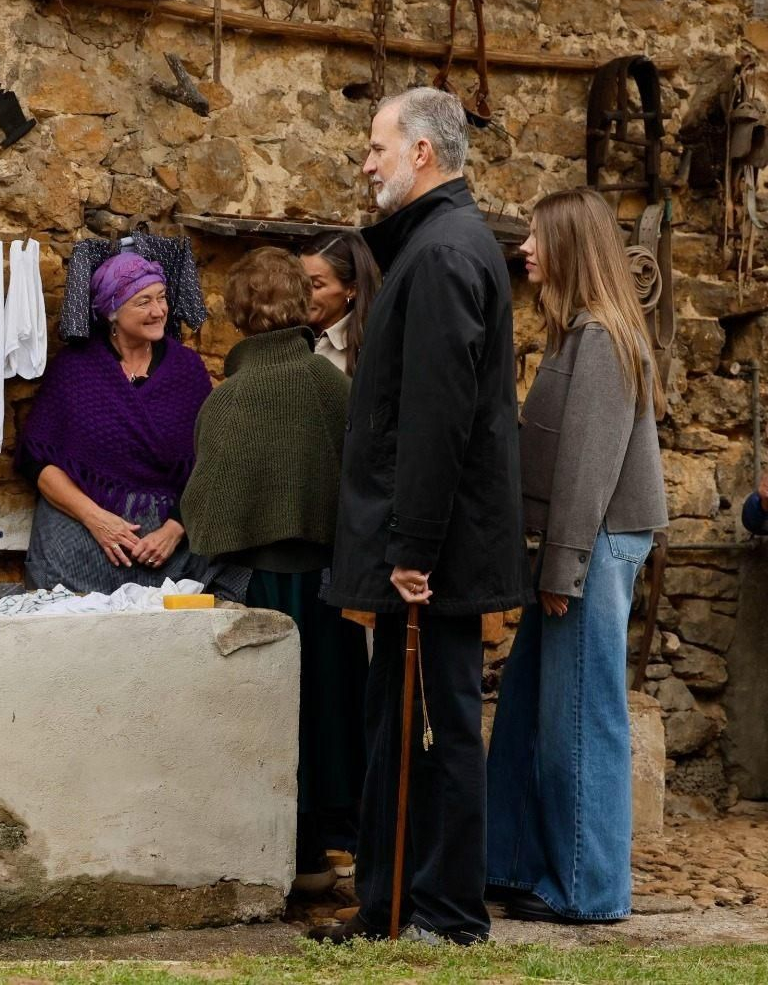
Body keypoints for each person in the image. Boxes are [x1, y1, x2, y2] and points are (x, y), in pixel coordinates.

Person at [312, 88, 530, 946]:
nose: (366, 163)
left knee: (439, 726)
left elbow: (439, 418)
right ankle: (392, 901)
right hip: (425, 544)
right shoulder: (432, 245)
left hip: (433, 554)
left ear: (422, 155)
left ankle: (442, 910)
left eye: (376, 147)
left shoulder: (442, 254)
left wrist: (412, 546)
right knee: (399, 723)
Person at [485, 188, 667, 924]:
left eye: (536, 237)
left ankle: (589, 891)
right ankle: (517, 864)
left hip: (591, 547)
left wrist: (563, 568)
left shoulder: (600, 339)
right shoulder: (580, 332)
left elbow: (590, 467)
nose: (525, 249)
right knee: (536, 706)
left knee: (582, 719)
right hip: (576, 545)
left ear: (569, 247)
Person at [179, 246, 366, 897]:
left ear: (235, 315)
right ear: (302, 306)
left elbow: (203, 516)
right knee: (327, 720)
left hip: (256, 589)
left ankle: (265, 859)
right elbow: (363, 484)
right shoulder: (333, 388)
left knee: (258, 727)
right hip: (325, 588)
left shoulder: (226, 403)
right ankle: (317, 856)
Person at [18, 252, 213, 594]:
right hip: (79, 544)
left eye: (162, 298)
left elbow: (212, 462)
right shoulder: (76, 370)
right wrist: (96, 519)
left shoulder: (187, 370)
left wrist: (176, 528)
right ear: (112, 310)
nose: (159, 311)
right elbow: (38, 460)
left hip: (167, 555)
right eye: (144, 301)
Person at [300, 230, 381, 375]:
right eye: (298, 281)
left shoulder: (371, 349)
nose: (302, 293)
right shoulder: (286, 335)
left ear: (351, 289)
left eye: (316, 285)